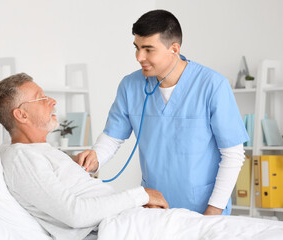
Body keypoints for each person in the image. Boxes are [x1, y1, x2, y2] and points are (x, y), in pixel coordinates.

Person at [76, 9, 249, 216]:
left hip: (204, 209)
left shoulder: (212, 85)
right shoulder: (131, 85)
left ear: (174, 48)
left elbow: (233, 154)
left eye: (149, 49)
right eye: (137, 48)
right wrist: (95, 157)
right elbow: (113, 137)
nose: (139, 57)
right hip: (154, 207)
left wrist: (213, 211)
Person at [0, 73, 169, 240]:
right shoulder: (21, 158)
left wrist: (136, 206)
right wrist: (140, 196)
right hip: (111, 230)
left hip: (125, 221)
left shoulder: (42, 152)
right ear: (21, 115)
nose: (52, 101)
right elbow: (76, 215)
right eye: (41, 98)